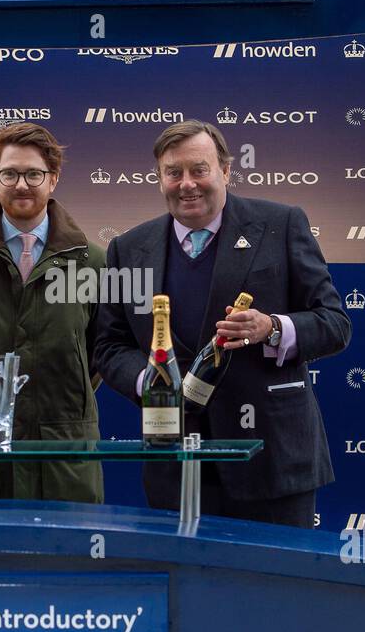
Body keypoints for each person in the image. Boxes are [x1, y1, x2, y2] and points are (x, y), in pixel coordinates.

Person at [93, 120, 351, 527]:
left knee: (272, 584)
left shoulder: (280, 225)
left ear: (226, 171)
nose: (187, 184)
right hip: (174, 466)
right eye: (173, 172)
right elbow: (108, 346)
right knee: (187, 588)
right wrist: (151, 382)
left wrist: (273, 328)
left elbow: (334, 323)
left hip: (270, 459)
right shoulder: (126, 249)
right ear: (159, 178)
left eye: (200, 169)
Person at [0, 122, 106, 502]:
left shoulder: (92, 261)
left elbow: (97, 354)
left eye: (34, 174)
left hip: (63, 455)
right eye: (10, 173)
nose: (22, 184)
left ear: (53, 179)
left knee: (66, 558)